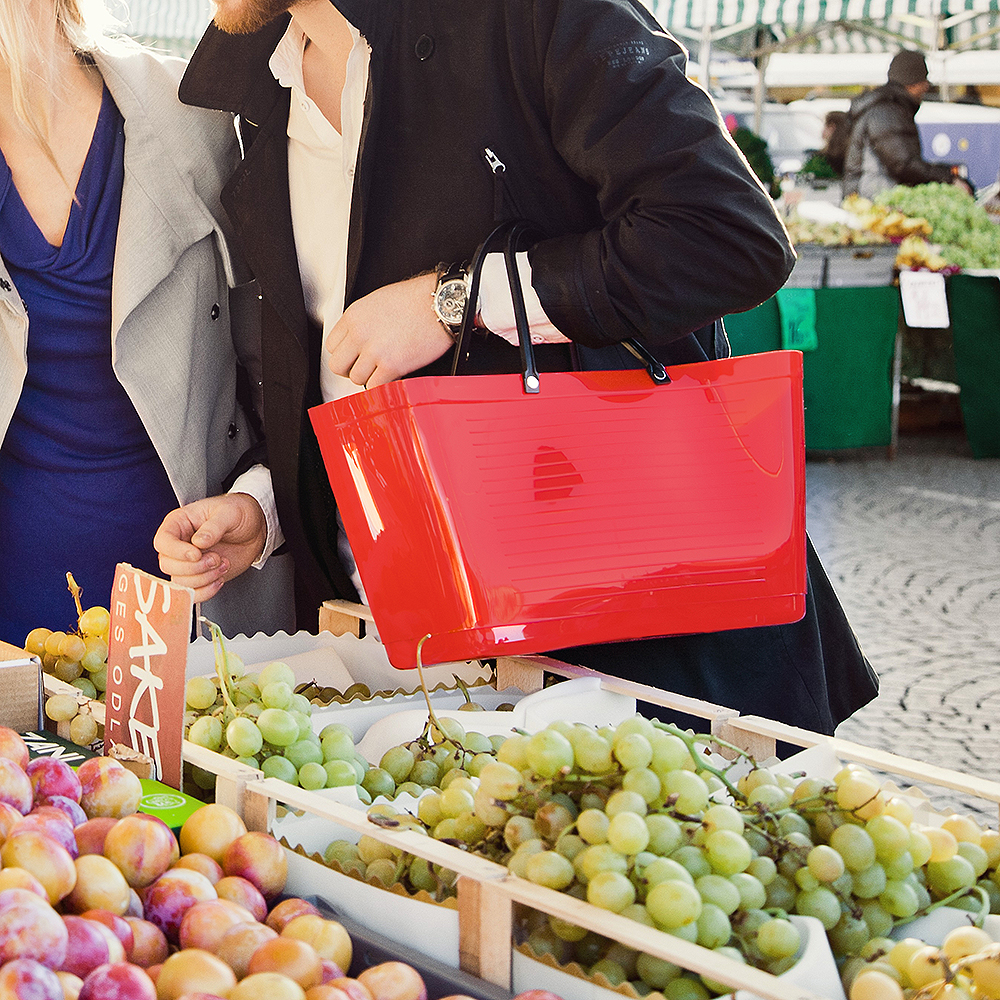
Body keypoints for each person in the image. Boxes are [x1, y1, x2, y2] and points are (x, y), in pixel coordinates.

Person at [155, 0, 879, 734]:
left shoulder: (534, 14)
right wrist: (269, 504)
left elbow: (729, 237)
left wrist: (457, 298)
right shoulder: (252, 90)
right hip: (407, 670)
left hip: (639, 658)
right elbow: (316, 368)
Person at [0, 0, 294, 645]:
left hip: (196, 586)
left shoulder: (196, 113)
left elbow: (281, 366)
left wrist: (260, 505)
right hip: (12, 593)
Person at [842, 49, 973, 199]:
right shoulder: (887, 112)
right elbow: (902, 165)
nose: (926, 87)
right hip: (872, 201)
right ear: (913, 83)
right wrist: (948, 178)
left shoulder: (886, 107)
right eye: (925, 80)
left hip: (870, 197)